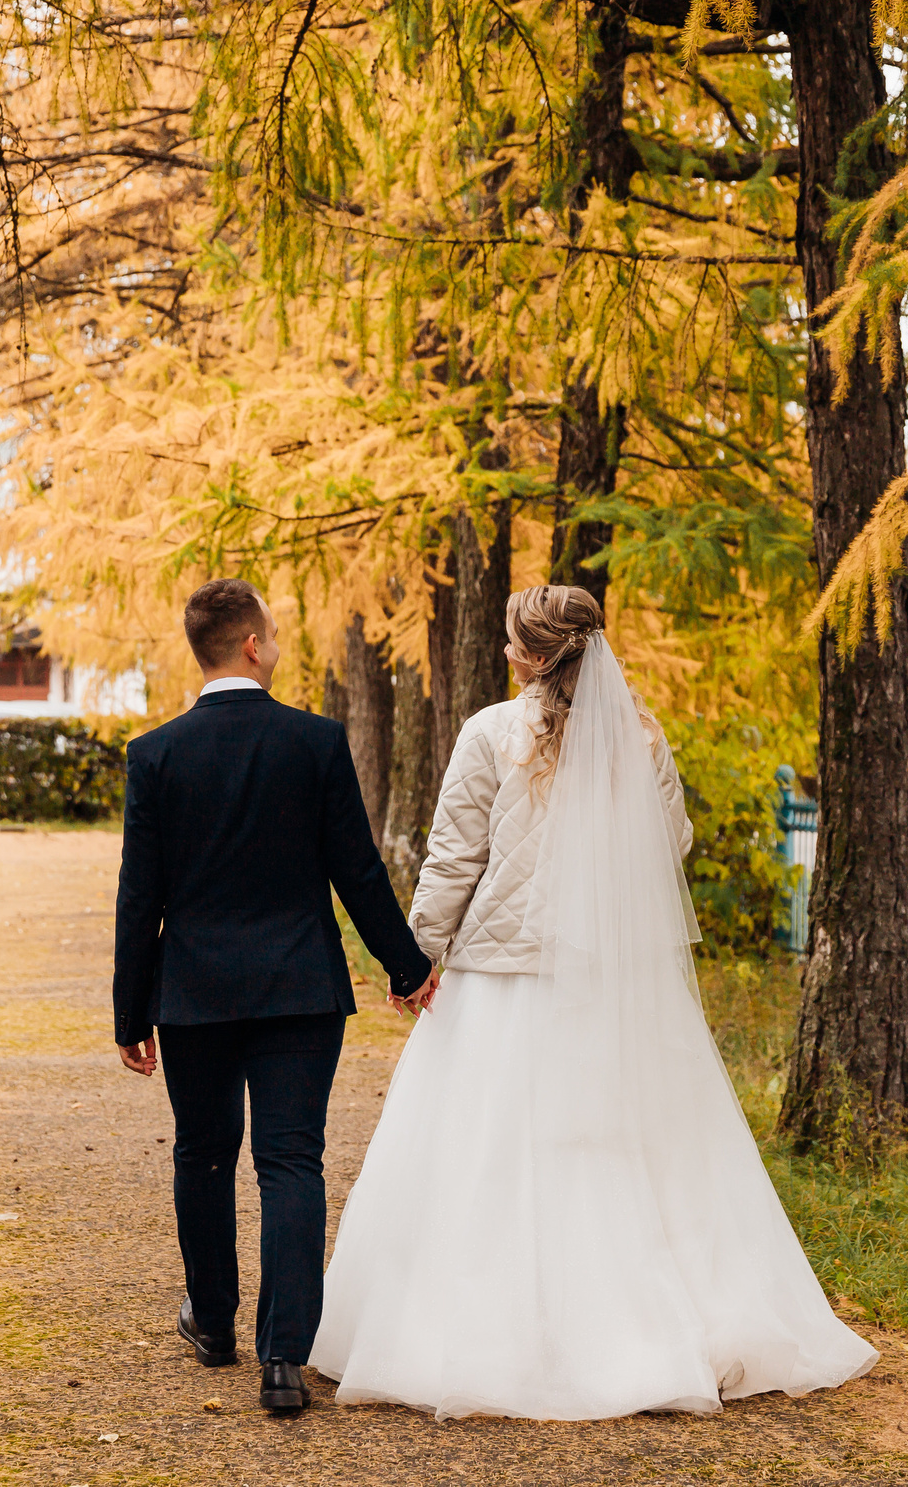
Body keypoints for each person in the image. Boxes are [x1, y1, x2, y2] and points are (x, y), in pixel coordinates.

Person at [311, 584, 878, 1420]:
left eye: (512, 642)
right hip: (609, 982)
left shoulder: (489, 733)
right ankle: (642, 1328)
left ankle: (493, 1337)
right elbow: (671, 844)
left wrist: (418, 956)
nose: (504, 652)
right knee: (618, 1149)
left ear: (537, 656)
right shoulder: (640, 737)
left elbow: (453, 858)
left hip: (502, 980)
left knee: (485, 1155)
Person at [112, 578, 435, 1414]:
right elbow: (356, 869)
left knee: (203, 1152)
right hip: (299, 989)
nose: (279, 643)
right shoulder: (314, 741)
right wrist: (407, 966)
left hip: (194, 993)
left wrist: (130, 1011)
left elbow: (139, 895)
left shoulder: (154, 755)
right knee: (291, 1159)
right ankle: (285, 1357)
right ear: (252, 644)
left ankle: (213, 1322)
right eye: (276, 632)